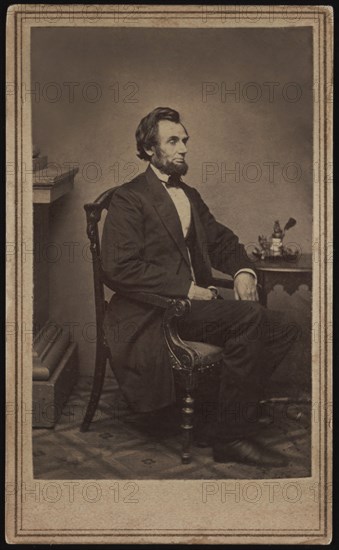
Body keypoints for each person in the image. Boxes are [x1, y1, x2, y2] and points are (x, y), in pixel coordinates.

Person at [101, 107, 298, 466]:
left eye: (185, 140)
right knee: (251, 318)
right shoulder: (129, 199)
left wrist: (243, 272)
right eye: (173, 141)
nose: (183, 148)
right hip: (155, 312)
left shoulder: (188, 194)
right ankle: (232, 438)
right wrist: (187, 290)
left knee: (284, 327)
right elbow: (118, 268)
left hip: (193, 308)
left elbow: (222, 241)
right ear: (149, 149)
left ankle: (221, 420)